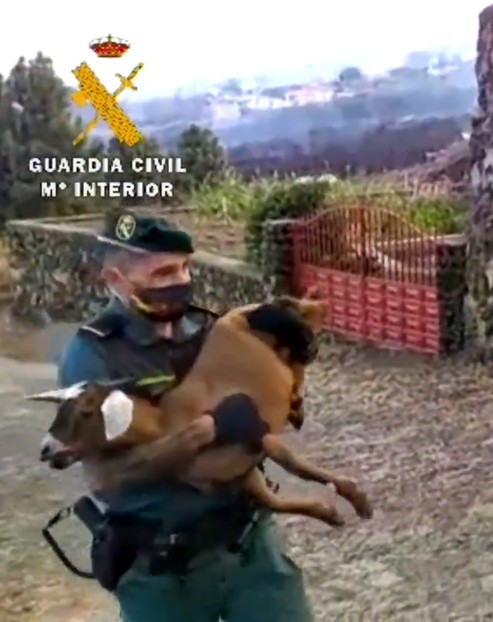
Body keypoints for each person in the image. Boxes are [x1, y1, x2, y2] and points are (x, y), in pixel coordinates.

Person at [56, 211, 313, 621]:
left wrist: (278, 402)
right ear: (116, 281)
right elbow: (105, 478)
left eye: (184, 267)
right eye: (162, 272)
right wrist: (200, 434)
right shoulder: (93, 358)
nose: (179, 281)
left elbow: (256, 410)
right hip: (165, 576)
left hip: (252, 549)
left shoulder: (212, 329)